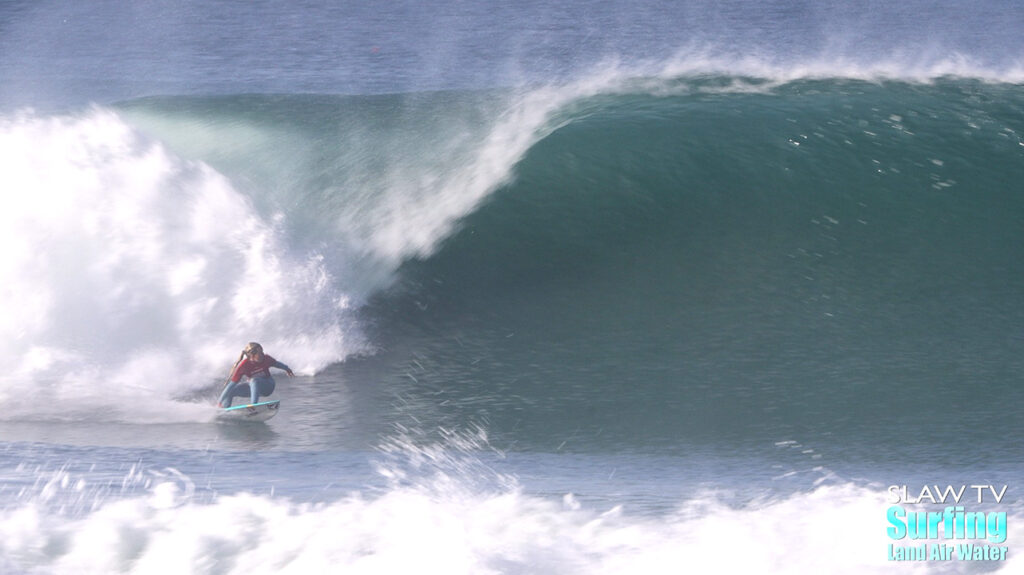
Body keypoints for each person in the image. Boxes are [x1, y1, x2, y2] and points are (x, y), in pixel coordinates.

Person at [218, 342, 294, 408]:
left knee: (254, 380)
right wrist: (219, 402)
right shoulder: (243, 366)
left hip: (268, 386)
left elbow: (277, 364)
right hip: (254, 389)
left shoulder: (266, 359)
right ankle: (224, 409)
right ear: (251, 355)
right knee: (231, 391)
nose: (262, 354)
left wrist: (287, 369)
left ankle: (253, 406)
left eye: (262, 352)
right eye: (260, 353)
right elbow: (230, 386)